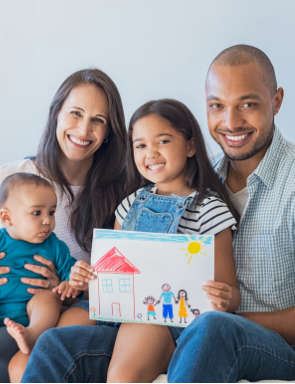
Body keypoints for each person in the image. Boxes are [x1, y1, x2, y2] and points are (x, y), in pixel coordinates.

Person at [22, 99, 241, 383]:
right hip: (115, 314)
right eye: (140, 145)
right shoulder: (128, 205)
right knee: (54, 339)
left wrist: (224, 298)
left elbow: (232, 295)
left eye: (162, 141)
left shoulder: (208, 210)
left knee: (123, 375)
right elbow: (106, 281)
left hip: (165, 321)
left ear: (190, 146)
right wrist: (84, 279)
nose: (151, 153)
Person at [167, 45, 295, 382]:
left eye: (248, 105)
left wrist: (227, 322)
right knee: (62, 345)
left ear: (277, 102)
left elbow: (216, 327)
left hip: (280, 350)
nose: (231, 122)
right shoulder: (194, 182)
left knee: (214, 329)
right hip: (194, 333)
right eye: (217, 107)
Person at [0, 68, 127, 383]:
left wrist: (66, 285)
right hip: (9, 305)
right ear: (56, 113)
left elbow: (117, 282)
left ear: (109, 131)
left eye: (98, 120)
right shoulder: (14, 180)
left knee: (51, 346)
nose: (84, 129)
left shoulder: (119, 191)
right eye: (76, 113)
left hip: (70, 312)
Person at [0, 173, 83, 361]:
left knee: (48, 298)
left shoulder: (55, 246)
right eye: (37, 213)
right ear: (7, 217)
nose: (47, 220)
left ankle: (33, 335)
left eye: (51, 212)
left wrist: (69, 284)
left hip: (35, 315)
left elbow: (72, 276)